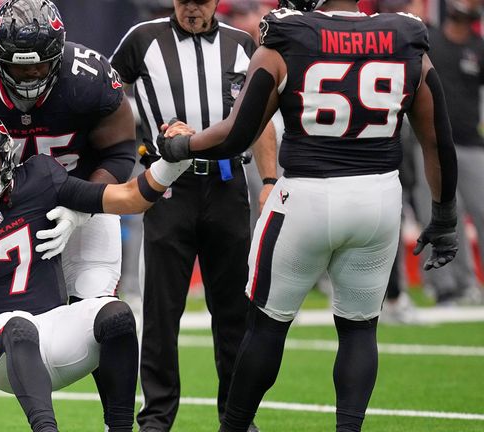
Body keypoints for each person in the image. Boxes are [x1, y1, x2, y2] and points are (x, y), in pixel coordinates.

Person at [159, 0, 459, 429]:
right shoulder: (405, 37)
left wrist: (180, 147)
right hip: (377, 199)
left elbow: (235, 134)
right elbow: (437, 139)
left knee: (265, 327)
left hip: (305, 197)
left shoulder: (286, 37)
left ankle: (234, 426)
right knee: (359, 329)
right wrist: (444, 216)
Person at [0, 109, 191, 432]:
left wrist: (174, 162)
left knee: (116, 315)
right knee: (17, 326)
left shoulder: (40, 179)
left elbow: (128, 197)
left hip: (56, 329)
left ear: (5, 156)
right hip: (0, 350)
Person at [110, 1, 276, 430]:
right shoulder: (142, 40)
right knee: (161, 311)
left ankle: (237, 419)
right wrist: (128, 154)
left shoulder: (243, 44)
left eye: (201, 2)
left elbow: (260, 118)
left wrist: (271, 179)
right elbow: (105, 101)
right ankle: (156, 419)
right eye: (184, 1)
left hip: (227, 183)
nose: (192, 10)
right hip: (168, 186)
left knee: (234, 310)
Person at [0, 0, 136, 305]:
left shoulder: (89, 77)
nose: (29, 74)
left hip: (82, 190)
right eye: (18, 66)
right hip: (5, 206)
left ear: (57, 53)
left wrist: (83, 206)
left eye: (39, 64)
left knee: (96, 305)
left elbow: (119, 151)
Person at [414, 0, 484, 305]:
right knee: (439, 213)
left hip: (472, 143)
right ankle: (443, 286)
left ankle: (469, 283)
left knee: (481, 212)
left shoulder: (479, 48)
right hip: (431, 143)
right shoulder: (431, 43)